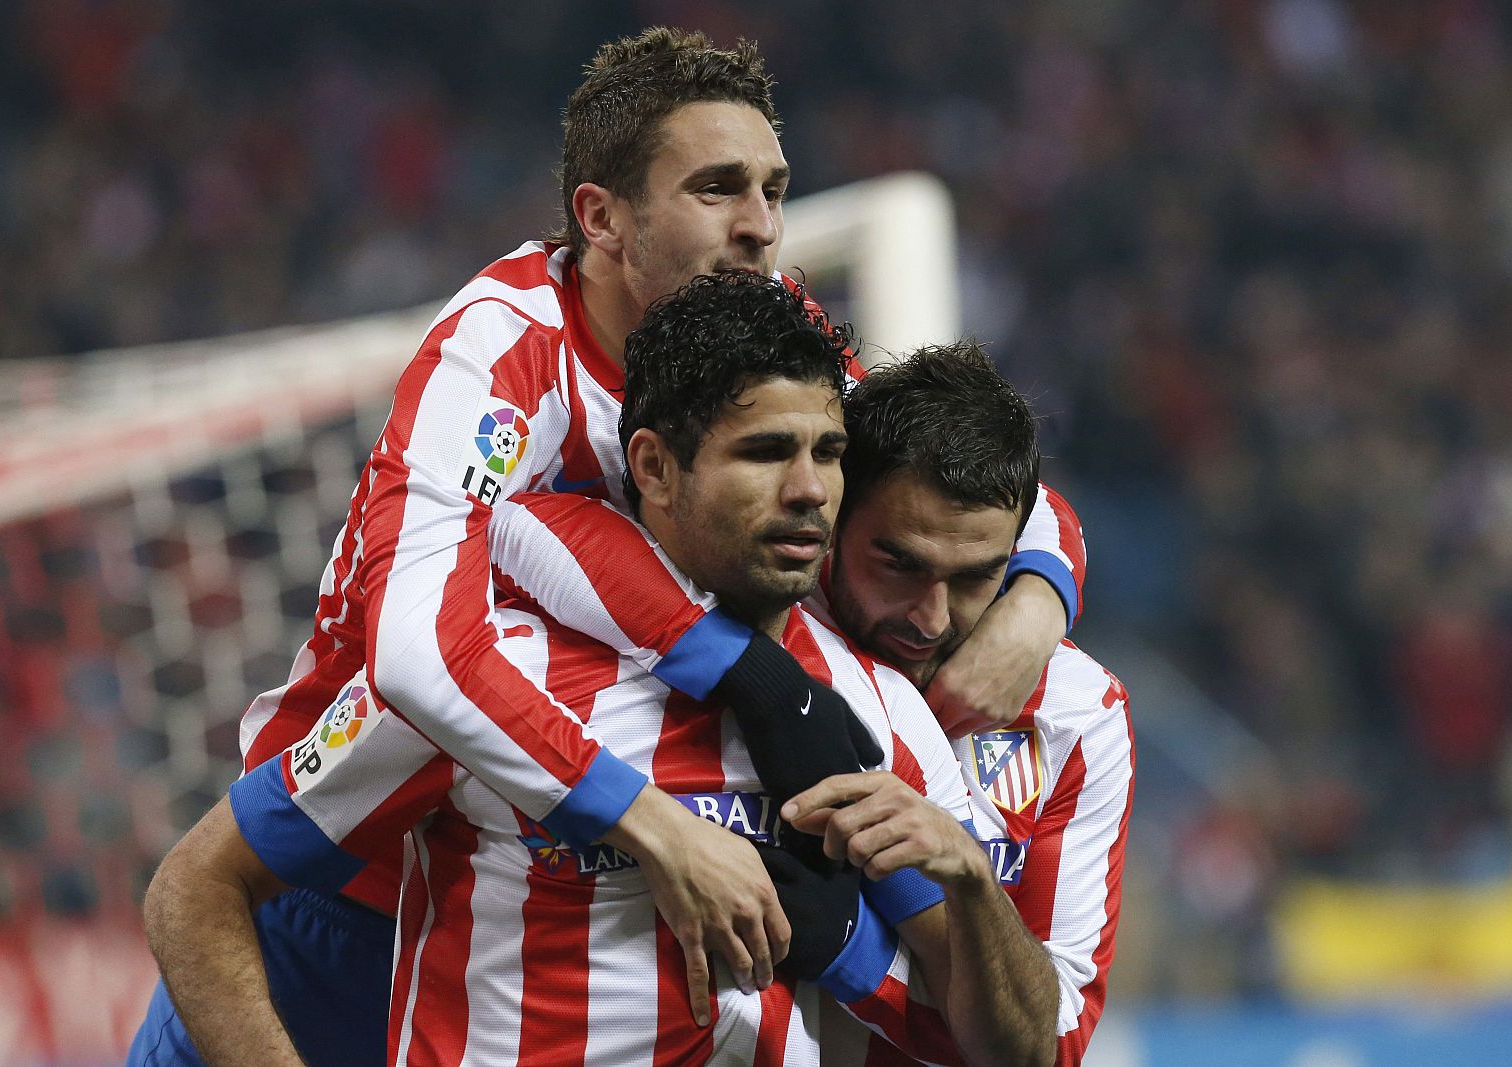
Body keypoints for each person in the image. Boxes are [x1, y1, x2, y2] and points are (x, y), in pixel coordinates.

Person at [130, 24, 1089, 1065]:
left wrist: (1035, 601)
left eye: (772, 189)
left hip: (578, 880)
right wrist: (650, 817)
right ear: (601, 217)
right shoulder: (503, 351)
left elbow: (953, 474)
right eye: (717, 189)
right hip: (350, 872)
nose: (761, 227)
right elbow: (414, 652)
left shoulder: (762, 347)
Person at [143, 272, 1007, 1066]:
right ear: (654, 468)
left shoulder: (876, 713)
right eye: (765, 451)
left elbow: (1016, 1046)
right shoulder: (484, 680)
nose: (810, 488)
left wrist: (953, 888)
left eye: (829, 452)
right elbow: (195, 886)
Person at [498, 344, 1133, 1066]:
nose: (929, 617)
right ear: (834, 511)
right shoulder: (769, 602)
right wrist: (756, 677)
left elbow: (1049, 1047)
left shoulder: (1077, 714)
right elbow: (521, 523)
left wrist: (856, 951)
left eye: (974, 579)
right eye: (897, 563)